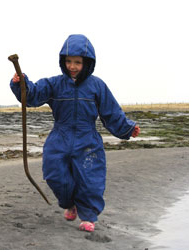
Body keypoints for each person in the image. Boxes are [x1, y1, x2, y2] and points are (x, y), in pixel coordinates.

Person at [10, 34, 140, 232]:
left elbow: (110, 112)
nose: (72, 66)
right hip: (59, 136)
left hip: (87, 139)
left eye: (77, 62)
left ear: (87, 63)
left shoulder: (97, 85)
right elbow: (33, 95)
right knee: (54, 174)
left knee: (90, 179)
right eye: (68, 61)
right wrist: (22, 84)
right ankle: (70, 203)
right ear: (63, 61)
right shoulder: (55, 84)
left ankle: (88, 216)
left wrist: (127, 128)